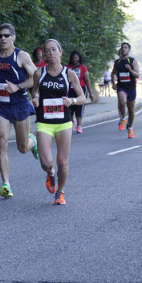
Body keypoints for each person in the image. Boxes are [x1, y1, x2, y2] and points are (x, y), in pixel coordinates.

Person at [0, 23, 39, 199]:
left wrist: (18, 86)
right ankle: (6, 184)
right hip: (1, 106)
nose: (2, 38)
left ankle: (31, 142)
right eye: (0, 36)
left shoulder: (21, 56)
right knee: (1, 142)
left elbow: (36, 77)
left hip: (19, 105)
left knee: (22, 147)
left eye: (6, 35)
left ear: (13, 37)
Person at [31, 39, 85, 205]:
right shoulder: (39, 73)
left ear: (61, 52)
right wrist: (36, 99)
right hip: (45, 122)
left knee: (62, 161)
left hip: (63, 122)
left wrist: (72, 101)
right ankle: (50, 173)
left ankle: (60, 192)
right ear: (45, 54)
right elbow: (34, 93)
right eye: (48, 51)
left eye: (54, 50)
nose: (51, 53)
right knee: (46, 162)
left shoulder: (69, 74)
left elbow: (82, 98)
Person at [111, 42, 139, 138]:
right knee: (122, 102)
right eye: (122, 47)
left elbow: (137, 75)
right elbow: (113, 73)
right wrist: (113, 83)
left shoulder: (133, 61)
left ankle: (130, 128)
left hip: (131, 88)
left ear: (129, 50)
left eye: (126, 47)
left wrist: (130, 70)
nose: (124, 49)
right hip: (121, 87)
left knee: (131, 110)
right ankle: (123, 118)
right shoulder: (117, 62)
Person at [66, 50, 95, 133]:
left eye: (76, 58)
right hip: (70, 90)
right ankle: (71, 123)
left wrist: (90, 92)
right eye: (73, 58)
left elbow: (87, 80)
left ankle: (79, 125)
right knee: (69, 108)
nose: (74, 59)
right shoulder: (67, 67)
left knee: (79, 108)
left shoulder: (83, 67)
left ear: (79, 58)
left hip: (81, 90)